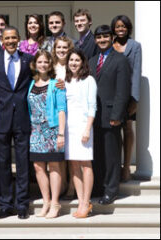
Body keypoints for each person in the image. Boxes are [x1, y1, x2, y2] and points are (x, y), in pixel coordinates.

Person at [0, 26, 34, 220]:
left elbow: (41, 77)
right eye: (7, 38)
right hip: (2, 119)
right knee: (3, 163)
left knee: (23, 163)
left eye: (14, 38)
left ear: (19, 39)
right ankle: (6, 204)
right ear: (2, 40)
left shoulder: (28, 60)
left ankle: (22, 204)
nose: (11, 41)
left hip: (23, 117)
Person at [89, 25, 130, 205]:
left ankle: (111, 190)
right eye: (99, 37)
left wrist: (117, 115)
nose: (102, 40)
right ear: (95, 40)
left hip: (111, 116)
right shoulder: (91, 61)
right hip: (94, 116)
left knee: (112, 156)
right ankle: (98, 187)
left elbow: (123, 90)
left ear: (111, 38)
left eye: (106, 37)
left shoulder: (120, 60)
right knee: (97, 155)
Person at [27, 50, 66, 218]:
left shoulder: (56, 84)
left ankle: (56, 203)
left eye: (46, 62)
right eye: (40, 62)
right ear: (35, 64)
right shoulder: (31, 84)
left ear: (50, 65)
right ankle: (46, 202)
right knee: (38, 166)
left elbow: (62, 110)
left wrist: (61, 134)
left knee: (54, 166)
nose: (42, 65)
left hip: (52, 130)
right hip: (35, 130)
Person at [64, 49, 97, 218]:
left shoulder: (89, 80)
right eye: (71, 60)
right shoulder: (66, 81)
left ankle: (86, 202)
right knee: (74, 165)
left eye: (77, 60)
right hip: (69, 128)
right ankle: (81, 200)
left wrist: (87, 128)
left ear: (82, 62)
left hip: (83, 126)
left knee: (85, 164)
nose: (74, 63)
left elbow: (92, 106)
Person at [111, 15, 142, 182]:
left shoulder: (135, 46)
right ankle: (115, 166)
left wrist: (135, 98)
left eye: (123, 26)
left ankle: (126, 167)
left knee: (127, 128)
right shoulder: (109, 44)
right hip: (112, 93)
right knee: (113, 130)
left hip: (128, 93)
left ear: (128, 28)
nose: (120, 29)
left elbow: (137, 72)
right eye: (117, 26)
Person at [51, 36, 76, 199]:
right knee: (59, 153)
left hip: (73, 112)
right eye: (58, 47)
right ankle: (63, 184)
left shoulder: (74, 65)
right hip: (55, 114)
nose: (61, 50)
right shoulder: (50, 67)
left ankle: (73, 187)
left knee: (72, 154)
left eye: (64, 48)